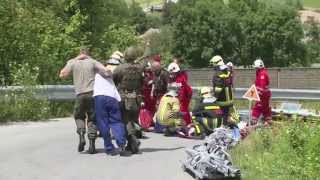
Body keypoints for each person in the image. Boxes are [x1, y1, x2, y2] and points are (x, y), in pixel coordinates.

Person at [59, 48, 111, 154]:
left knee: (79, 116)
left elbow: (62, 75)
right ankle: (92, 144)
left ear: (79, 54)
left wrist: (73, 60)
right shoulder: (93, 62)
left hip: (80, 95)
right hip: (92, 94)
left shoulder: (73, 62)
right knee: (93, 118)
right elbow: (106, 72)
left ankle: (82, 134)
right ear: (88, 54)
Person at [93, 59, 130, 156]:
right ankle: (121, 145)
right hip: (112, 97)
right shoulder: (115, 72)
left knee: (103, 122)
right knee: (116, 121)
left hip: (99, 97)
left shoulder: (97, 71)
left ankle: (109, 148)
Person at [113, 46, 145, 154]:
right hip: (136, 97)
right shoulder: (140, 68)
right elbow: (142, 82)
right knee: (134, 120)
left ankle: (132, 139)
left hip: (124, 96)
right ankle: (132, 143)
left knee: (125, 120)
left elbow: (114, 81)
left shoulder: (120, 68)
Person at [210, 55, 233, 126]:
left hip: (221, 98)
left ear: (216, 63)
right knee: (226, 113)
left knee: (218, 112)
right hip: (229, 97)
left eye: (213, 64)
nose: (213, 66)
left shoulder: (218, 73)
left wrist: (214, 97)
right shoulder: (227, 71)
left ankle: (220, 126)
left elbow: (218, 87)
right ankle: (225, 126)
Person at [252, 59, 272, 126]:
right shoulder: (261, 73)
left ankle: (253, 124)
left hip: (262, 96)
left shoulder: (262, 74)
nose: (255, 69)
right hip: (265, 96)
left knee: (257, 109)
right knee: (266, 110)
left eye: (256, 68)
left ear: (258, 67)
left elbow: (261, 87)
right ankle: (269, 123)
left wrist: (257, 96)